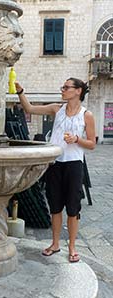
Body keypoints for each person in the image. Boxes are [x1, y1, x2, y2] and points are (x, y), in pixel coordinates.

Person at [15, 78, 96, 263]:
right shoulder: (56, 109)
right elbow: (29, 109)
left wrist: (76, 139)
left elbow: (92, 143)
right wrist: (20, 92)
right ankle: (55, 244)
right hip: (55, 163)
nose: (63, 90)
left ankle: (73, 247)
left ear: (78, 91)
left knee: (73, 209)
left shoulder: (86, 115)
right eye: (63, 87)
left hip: (74, 164)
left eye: (66, 87)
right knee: (55, 206)